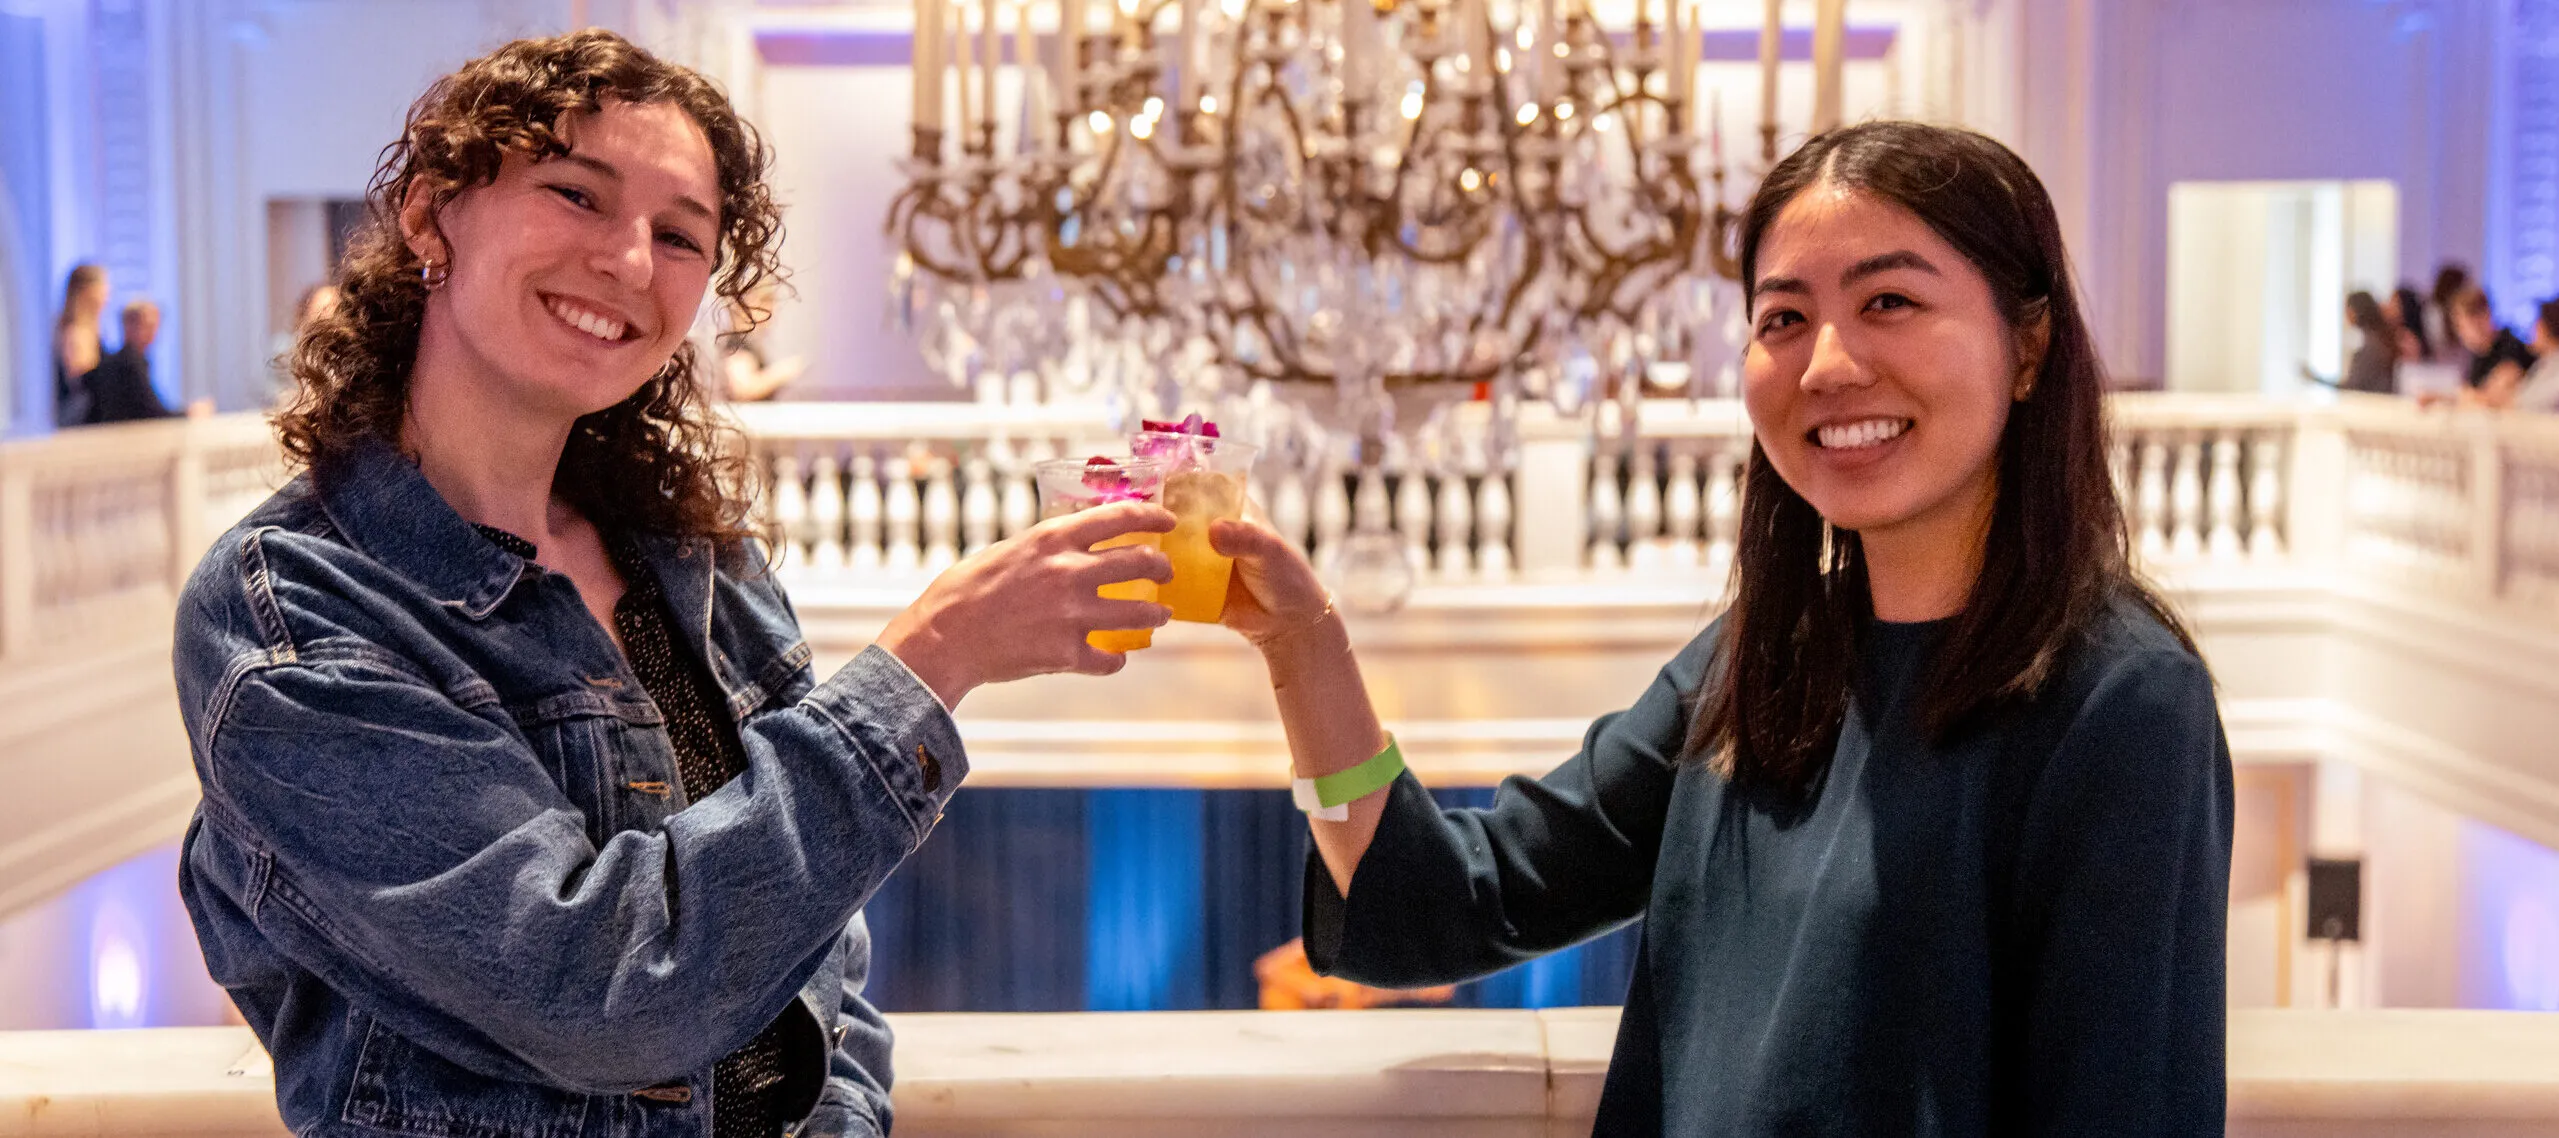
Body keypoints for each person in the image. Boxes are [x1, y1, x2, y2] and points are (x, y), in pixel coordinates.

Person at [174, 30, 1173, 1138]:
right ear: (428, 213)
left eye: (680, 235)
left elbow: (820, 961)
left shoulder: (695, 568)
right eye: (575, 195)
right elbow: (603, 991)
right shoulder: (298, 609)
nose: (631, 263)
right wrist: (936, 658)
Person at [1212, 121, 2232, 1135]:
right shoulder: (1766, 660)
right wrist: (1304, 646)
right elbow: (1439, 903)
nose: (1828, 364)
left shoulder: (2120, 701)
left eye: (1890, 302)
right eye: (1783, 318)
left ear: (2030, 346)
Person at [80, 299, 180, 423]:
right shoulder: (129, 363)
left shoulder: (134, 360)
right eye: (147, 326)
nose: (152, 333)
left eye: (155, 326)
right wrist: (189, 414)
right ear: (128, 326)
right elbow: (153, 412)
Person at [715, 277, 805, 401]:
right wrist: (782, 372)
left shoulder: (747, 342)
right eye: (766, 300)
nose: (772, 309)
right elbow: (743, 389)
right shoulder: (736, 344)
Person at [2450, 285, 2537, 401]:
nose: (2461, 334)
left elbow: (2492, 400)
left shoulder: (2512, 347)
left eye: (2464, 326)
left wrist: (2465, 396)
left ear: (2485, 317)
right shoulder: (2479, 353)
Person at [52, 263, 109, 427]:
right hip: (82, 419)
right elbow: (84, 381)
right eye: (103, 287)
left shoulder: (93, 329)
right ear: (87, 291)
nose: (106, 295)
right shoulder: (73, 332)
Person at [2491, 298, 2559, 413]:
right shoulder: (2543, 363)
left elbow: (2527, 402)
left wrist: (2497, 396)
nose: (2531, 331)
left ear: (2548, 328)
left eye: (2536, 324)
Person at [2331, 290, 2398, 394]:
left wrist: (2317, 379)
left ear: (2354, 311)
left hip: (2372, 404)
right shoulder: (2378, 337)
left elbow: (2354, 385)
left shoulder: (2370, 344)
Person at [2388, 285, 2433, 362]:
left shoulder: (2408, 340)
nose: (2389, 307)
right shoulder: (2393, 332)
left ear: (2404, 307)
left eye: (2394, 303)